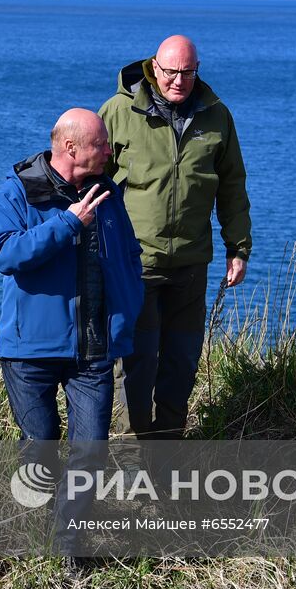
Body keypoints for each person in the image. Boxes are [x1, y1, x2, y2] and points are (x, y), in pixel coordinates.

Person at [99, 34, 252, 439]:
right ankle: (128, 461)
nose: (179, 81)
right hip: (135, 266)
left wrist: (238, 248)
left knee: (181, 366)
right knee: (134, 364)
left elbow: (233, 187)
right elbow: (89, 182)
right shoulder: (118, 111)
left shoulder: (217, 116)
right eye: (170, 72)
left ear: (197, 70)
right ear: (154, 67)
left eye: (187, 72)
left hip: (189, 267)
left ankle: (166, 461)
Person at [0, 108, 144, 441]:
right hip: (30, 352)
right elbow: (5, 254)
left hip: (93, 352)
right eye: (101, 144)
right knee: (39, 447)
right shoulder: (18, 191)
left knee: (90, 454)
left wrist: (126, 314)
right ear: (72, 148)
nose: (108, 152)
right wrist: (68, 223)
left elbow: (129, 256)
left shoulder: (107, 193)